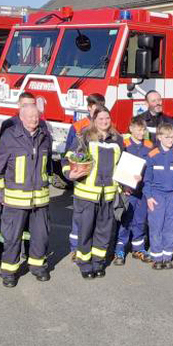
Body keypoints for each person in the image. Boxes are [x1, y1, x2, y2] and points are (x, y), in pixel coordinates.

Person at [0, 104, 53, 287]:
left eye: (36, 116)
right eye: (30, 117)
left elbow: (48, 163)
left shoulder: (44, 135)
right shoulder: (10, 136)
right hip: (15, 200)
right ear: (21, 117)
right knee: (12, 238)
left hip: (40, 200)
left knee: (40, 236)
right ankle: (9, 272)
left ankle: (37, 266)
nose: (34, 120)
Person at [63, 107, 123, 279]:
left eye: (107, 118)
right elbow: (68, 158)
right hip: (87, 195)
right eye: (101, 118)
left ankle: (98, 262)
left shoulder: (117, 139)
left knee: (103, 232)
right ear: (94, 120)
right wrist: (69, 173)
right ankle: (84, 263)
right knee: (86, 230)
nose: (104, 121)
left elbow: (123, 163)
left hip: (109, 195)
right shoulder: (85, 137)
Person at [64, 93, 105, 257]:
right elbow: (69, 152)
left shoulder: (106, 124)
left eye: (102, 106)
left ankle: (91, 246)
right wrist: (72, 171)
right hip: (83, 179)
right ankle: (75, 248)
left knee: (97, 218)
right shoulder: (79, 126)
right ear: (89, 108)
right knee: (79, 217)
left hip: (100, 181)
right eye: (96, 107)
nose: (99, 111)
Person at [144, 123, 173, 269]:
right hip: (156, 196)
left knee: (171, 226)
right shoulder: (152, 155)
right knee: (156, 225)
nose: (170, 140)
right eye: (167, 137)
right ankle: (157, 257)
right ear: (159, 137)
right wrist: (149, 197)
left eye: (172, 137)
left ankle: (167, 256)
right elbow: (147, 179)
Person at [113, 117, 154, 265]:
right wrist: (124, 186)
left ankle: (139, 248)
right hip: (127, 191)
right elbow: (117, 166)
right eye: (138, 129)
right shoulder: (123, 144)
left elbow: (151, 167)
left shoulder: (150, 146)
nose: (141, 132)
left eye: (143, 129)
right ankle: (119, 249)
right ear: (130, 128)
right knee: (125, 220)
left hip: (142, 191)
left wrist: (143, 178)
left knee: (140, 220)